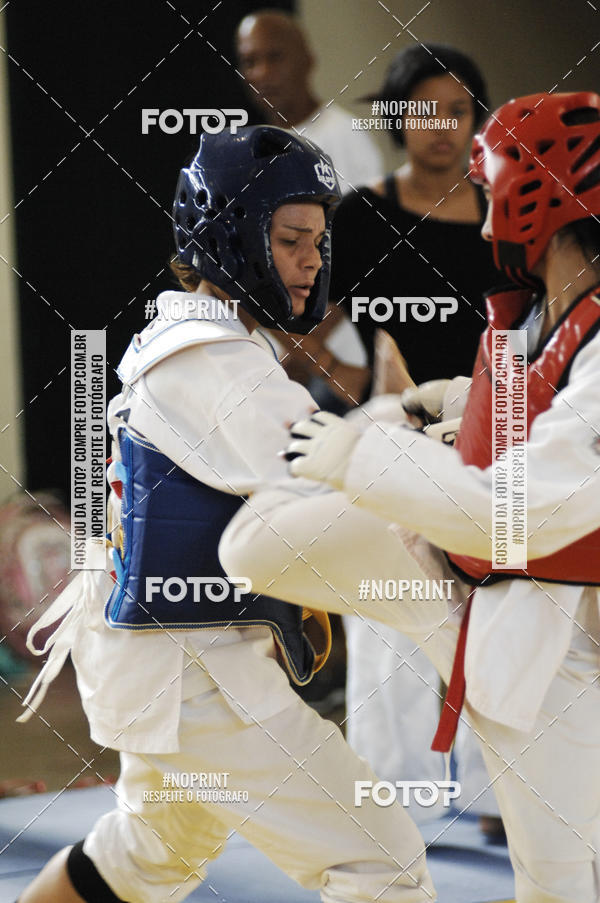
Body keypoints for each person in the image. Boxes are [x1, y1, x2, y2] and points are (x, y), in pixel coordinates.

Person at [16, 126, 437, 903]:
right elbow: (331, 481)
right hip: (193, 678)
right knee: (377, 859)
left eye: (318, 239)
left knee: (145, 858)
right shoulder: (214, 361)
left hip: (165, 667)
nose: (312, 259)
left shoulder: (190, 338)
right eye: (290, 239)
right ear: (231, 235)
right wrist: (414, 425)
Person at [220, 92, 600, 902]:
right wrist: (451, 404)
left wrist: (366, 449)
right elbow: (538, 407)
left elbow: (525, 510)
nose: (483, 204)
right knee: (256, 540)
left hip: (556, 626)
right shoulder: (540, 306)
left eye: (492, 184)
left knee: (561, 884)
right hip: (469, 585)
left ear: (541, 193)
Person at [332, 44, 500, 827]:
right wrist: (357, 392)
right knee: (392, 607)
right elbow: (313, 326)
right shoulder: (360, 215)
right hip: (397, 423)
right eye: (426, 111)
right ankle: (392, 799)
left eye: (460, 110)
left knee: (500, 612)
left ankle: (504, 791)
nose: (443, 127)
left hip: (496, 429)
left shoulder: (509, 210)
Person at [235, 9, 383, 193]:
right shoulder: (250, 151)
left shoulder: (346, 135)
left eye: (275, 57)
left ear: (307, 60)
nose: (262, 73)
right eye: (250, 62)